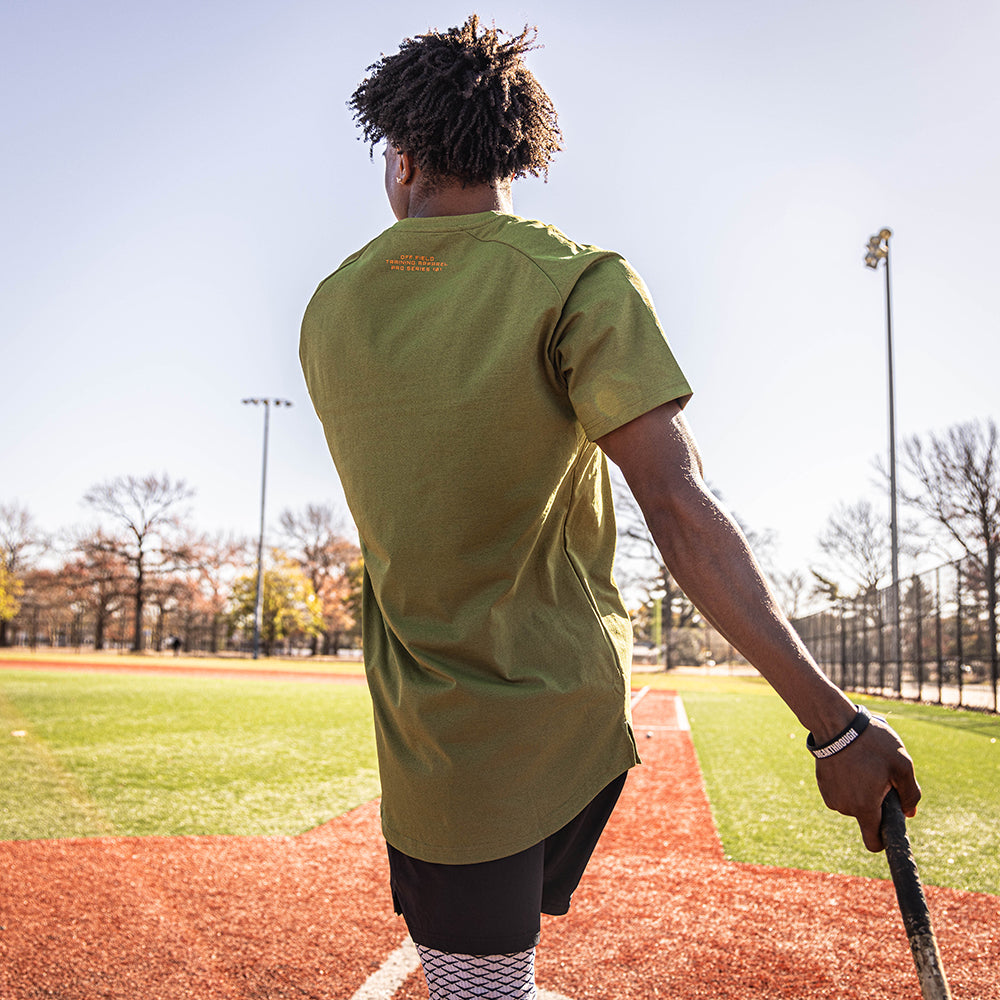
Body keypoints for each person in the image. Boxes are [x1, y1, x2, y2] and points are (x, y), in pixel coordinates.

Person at [299, 16, 920, 999]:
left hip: (443, 747)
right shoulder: (576, 277)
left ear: (401, 158)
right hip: (574, 722)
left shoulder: (329, 307)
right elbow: (675, 503)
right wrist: (833, 725)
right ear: (518, 153)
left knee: (479, 990)